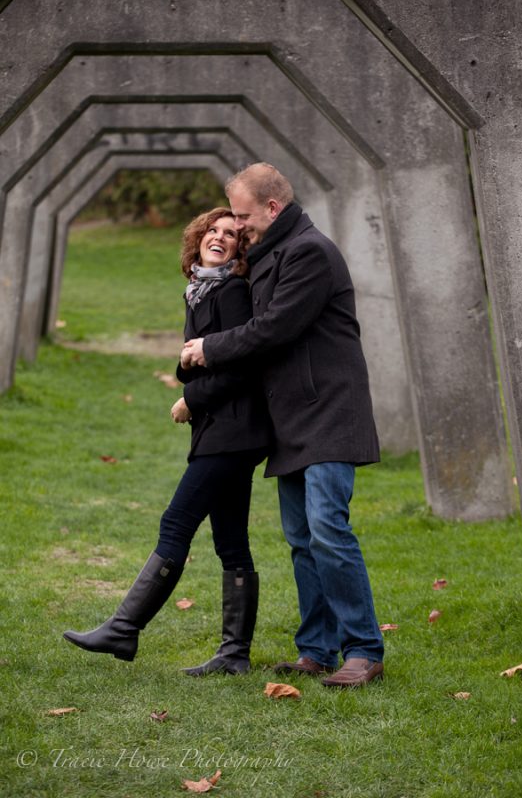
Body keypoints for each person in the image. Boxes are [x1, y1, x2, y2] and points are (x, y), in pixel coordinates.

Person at [181, 163, 384, 688]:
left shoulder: (309, 252)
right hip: (291, 417)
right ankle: (315, 649)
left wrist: (208, 349)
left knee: (328, 530)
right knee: (300, 538)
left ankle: (363, 649)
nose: (238, 226)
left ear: (273, 208)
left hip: (329, 412)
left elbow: (273, 330)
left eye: (244, 216)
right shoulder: (272, 253)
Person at [63, 207, 270, 675]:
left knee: (176, 523)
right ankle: (234, 656)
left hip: (233, 430)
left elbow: (242, 367)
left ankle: (123, 628)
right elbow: (193, 358)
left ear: (240, 249)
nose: (219, 237)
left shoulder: (232, 291)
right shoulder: (201, 291)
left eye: (230, 234)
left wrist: (190, 399)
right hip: (225, 431)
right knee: (232, 541)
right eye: (211, 230)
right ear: (197, 238)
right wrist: (190, 374)